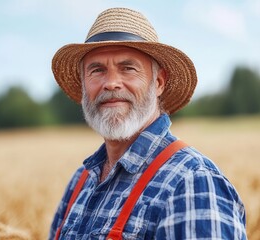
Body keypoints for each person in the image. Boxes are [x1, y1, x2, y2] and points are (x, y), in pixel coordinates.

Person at [49, 7, 247, 240]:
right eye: (97, 70)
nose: (111, 83)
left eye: (128, 68)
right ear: (84, 86)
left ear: (159, 82)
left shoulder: (193, 181)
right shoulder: (80, 181)